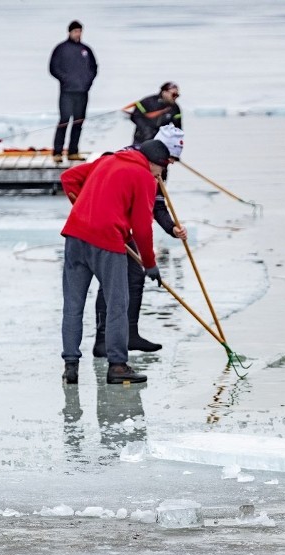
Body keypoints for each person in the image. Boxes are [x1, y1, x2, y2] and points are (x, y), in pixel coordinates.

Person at [58, 139, 170, 385]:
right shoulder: (144, 178)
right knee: (117, 304)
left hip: (75, 235)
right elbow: (142, 227)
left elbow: (68, 178)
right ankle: (118, 366)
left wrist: (84, 210)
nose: (160, 175)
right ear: (155, 164)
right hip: (107, 242)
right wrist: (149, 264)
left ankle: (71, 366)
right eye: (162, 169)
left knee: (73, 305)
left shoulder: (108, 160)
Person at [92, 125, 187, 357]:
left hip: (125, 229)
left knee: (135, 277)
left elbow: (157, 205)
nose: (171, 164)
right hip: (109, 226)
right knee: (111, 281)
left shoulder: (158, 166)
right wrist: (150, 261)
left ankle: (130, 334)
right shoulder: (131, 159)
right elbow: (143, 221)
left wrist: (172, 229)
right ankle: (102, 340)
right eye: (171, 159)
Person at [49, 20, 98, 163]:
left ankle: (73, 151)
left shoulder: (86, 50)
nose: (78, 34)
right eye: (75, 31)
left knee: (78, 121)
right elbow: (53, 68)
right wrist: (65, 79)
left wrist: (88, 81)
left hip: (82, 91)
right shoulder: (61, 49)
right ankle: (57, 152)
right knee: (64, 120)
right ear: (69, 32)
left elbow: (93, 68)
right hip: (67, 91)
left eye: (80, 31)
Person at [129, 82, 182, 148]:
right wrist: (145, 129)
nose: (176, 97)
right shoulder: (148, 101)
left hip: (160, 141)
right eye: (174, 95)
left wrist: (177, 140)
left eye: (177, 95)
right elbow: (135, 116)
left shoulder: (175, 108)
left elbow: (178, 127)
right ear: (164, 92)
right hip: (142, 138)